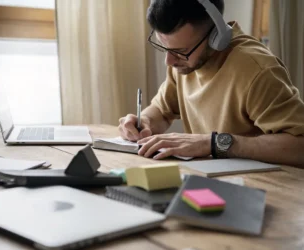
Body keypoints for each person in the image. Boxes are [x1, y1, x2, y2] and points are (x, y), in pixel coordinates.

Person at [118, 0, 304, 166]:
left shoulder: (257, 70)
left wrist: (214, 143)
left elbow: (300, 146)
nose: (169, 61)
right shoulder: (182, 63)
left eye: (180, 51)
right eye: (164, 47)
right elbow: (162, 111)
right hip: (209, 180)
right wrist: (144, 123)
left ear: (216, 37)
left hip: (268, 189)